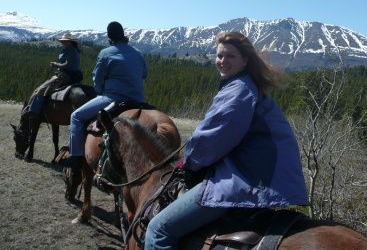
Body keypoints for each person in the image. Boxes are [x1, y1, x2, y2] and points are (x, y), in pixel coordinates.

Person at [144, 32, 309, 250]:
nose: (223, 61)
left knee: (159, 230)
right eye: (220, 55)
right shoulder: (246, 86)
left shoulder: (239, 90)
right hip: (257, 174)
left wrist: (189, 163)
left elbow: (213, 138)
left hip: (247, 179)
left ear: (245, 60)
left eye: (230, 56)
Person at [59, 21, 148, 169]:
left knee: (76, 116)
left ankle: (76, 156)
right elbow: (144, 74)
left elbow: (98, 79)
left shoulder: (106, 53)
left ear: (109, 37)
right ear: (123, 35)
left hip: (113, 98)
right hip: (138, 100)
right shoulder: (138, 53)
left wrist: (101, 91)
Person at [27, 32, 82, 118]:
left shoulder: (71, 50)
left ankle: (33, 111)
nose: (64, 42)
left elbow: (67, 65)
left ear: (71, 42)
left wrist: (56, 65)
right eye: (63, 41)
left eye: (66, 41)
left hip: (66, 76)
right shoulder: (71, 49)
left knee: (42, 89)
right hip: (71, 75)